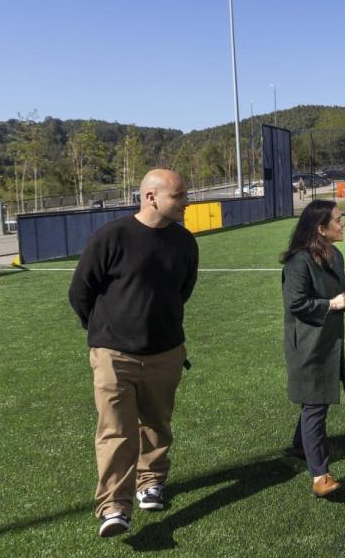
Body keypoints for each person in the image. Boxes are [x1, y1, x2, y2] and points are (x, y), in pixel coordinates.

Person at [68, 168, 198, 537]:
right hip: (113, 354)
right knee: (116, 431)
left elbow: (182, 290)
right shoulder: (112, 236)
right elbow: (81, 292)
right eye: (179, 195)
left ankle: (151, 482)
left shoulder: (185, 242)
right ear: (151, 197)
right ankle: (114, 507)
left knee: (157, 425)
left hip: (166, 352)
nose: (186, 202)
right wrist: (103, 333)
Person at [281, 199, 345, 497]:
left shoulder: (334, 255)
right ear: (321, 228)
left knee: (317, 400)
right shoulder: (298, 262)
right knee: (314, 405)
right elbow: (296, 303)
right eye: (338, 219)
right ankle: (320, 476)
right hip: (308, 345)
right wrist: (333, 304)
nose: (343, 223)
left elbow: (339, 290)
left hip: (329, 340)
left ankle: (301, 445)